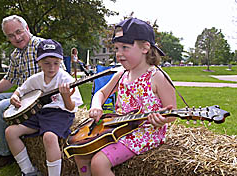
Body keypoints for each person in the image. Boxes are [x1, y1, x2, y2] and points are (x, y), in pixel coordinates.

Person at [74, 18, 177, 176]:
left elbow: (172, 113)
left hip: (144, 133)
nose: (119, 54)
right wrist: (96, 106)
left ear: (145, 47)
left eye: (125, 47)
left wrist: (162, 119)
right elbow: (101, 93)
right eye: (116, 48)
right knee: (80, 152)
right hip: (118, 128)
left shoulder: (158, 77)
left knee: (98, 163)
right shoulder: (121, 74)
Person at [0, 15, 64, 169]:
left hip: (42, 97)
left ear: (27, 28)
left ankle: (5, 155)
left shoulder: (42, 45)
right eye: (11, 35)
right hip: (23, 94)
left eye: (19, 32)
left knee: (3, 106)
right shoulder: (15, 54)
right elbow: (9, 79)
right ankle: (0, 142)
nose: (16, 37)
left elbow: (59, 72)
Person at [5, 39, 83, 176]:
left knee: (49, 136)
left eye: (56, 63)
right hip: (40, 113)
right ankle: (29, 171)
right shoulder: (36, 79)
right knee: (10, 132)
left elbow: (71, 108)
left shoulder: (66, 79)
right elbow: (20, 90)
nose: (51, 68)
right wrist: (15, 97)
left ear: (61, 62)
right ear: (38, 62)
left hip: (61, 113)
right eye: (46, 63)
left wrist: (66, 96)